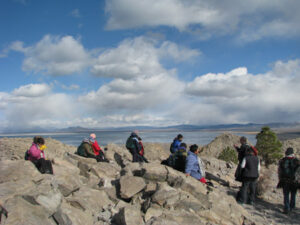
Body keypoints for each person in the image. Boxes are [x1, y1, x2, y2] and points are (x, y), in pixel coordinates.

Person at [277, 148, 299, 214]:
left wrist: (280, 178)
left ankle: (287, 207)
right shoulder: (297, 161)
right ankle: (292, 207)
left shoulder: (282, 160)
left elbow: (279, 171)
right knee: (293, 194)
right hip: (294, 181)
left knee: (286, 194)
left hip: (284, 180)